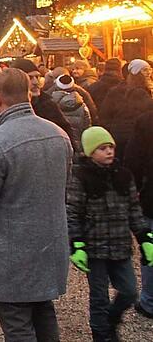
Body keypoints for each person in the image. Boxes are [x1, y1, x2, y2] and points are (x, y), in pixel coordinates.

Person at [0, 68, 72, 341]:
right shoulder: (59, 134)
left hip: (12, 247)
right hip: (50, 243)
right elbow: (66, 190)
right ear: (29, 93)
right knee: (43, 311)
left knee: (16, 321)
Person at [68, 126, 152, 341]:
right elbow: (73, 212)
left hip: (120, 246)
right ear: (89, 152)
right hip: (94, 249)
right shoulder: (80, 178)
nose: (109, 152)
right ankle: (102, 334)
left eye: (111, 147)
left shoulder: (123, 175)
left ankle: (111, 319)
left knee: (129, 291)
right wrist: (77, 244)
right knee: (99, 296)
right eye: (102, 148)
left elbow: (134, 208)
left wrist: (144, 237)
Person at [126, 108, 153, 319]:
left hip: (151, 196)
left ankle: (149, 301)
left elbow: (133, 159)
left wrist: (132, 187)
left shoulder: (146, 119)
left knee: (150, 248)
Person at [98, 58, 153, 158]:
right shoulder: (139, 93)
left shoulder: (120, 90)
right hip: (132, 136)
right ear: (136, 73)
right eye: (145, 70)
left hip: (122, 135)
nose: (148, 73)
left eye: (149, 70)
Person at [51, 74, 92, 153]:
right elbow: (87, 125)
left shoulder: (49, 103)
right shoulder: (82, 103)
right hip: (78, 144)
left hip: (58, 144)